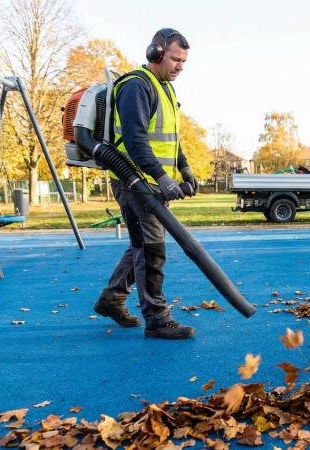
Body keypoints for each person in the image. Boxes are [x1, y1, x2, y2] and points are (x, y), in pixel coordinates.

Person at [93, 28, 199, 340]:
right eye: (175, 59)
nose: (180, 66)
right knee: (152, 248)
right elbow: (136, 140)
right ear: (155, 52)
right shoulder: (137, 86)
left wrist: (185, 169)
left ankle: (112, 299)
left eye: (184, 62)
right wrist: (164, 179)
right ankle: (157, 319)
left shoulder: (165, 89)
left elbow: (171, 140)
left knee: (141, 244)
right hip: (134, 181)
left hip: (149, 183)